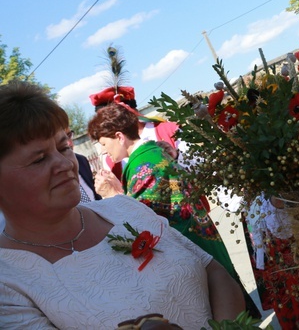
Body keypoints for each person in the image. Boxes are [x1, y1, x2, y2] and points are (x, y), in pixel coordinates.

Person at [0, 81, 244, 328]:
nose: (65, 165)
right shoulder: (7, 283)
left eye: (64, 148)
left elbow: (214, 272)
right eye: (39, 159)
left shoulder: (124, 208)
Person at [87, 104, 246, 302]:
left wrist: (115, 196)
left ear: (119, 137)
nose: (102, 151)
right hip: (202, 241)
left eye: (103, 143)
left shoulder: (143, 167)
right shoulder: (153, 153)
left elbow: (143, 224)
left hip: (193, 254)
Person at [66, 128, 101, 202]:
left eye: (69, 135)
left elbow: (94, 194)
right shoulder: (51, 171)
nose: (68, 143)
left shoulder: (81, 160)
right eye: (62, 139)